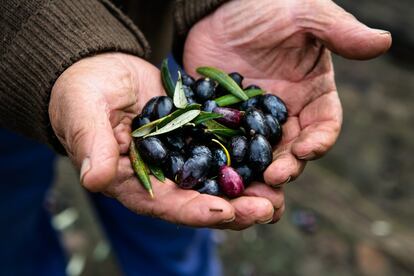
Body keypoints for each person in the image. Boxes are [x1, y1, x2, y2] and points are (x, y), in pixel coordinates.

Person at [0, 0, 391, 275]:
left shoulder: (204, 119)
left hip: (159, 47)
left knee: (167, 233)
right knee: (11, 227)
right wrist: (35, 37)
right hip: (15, 76)